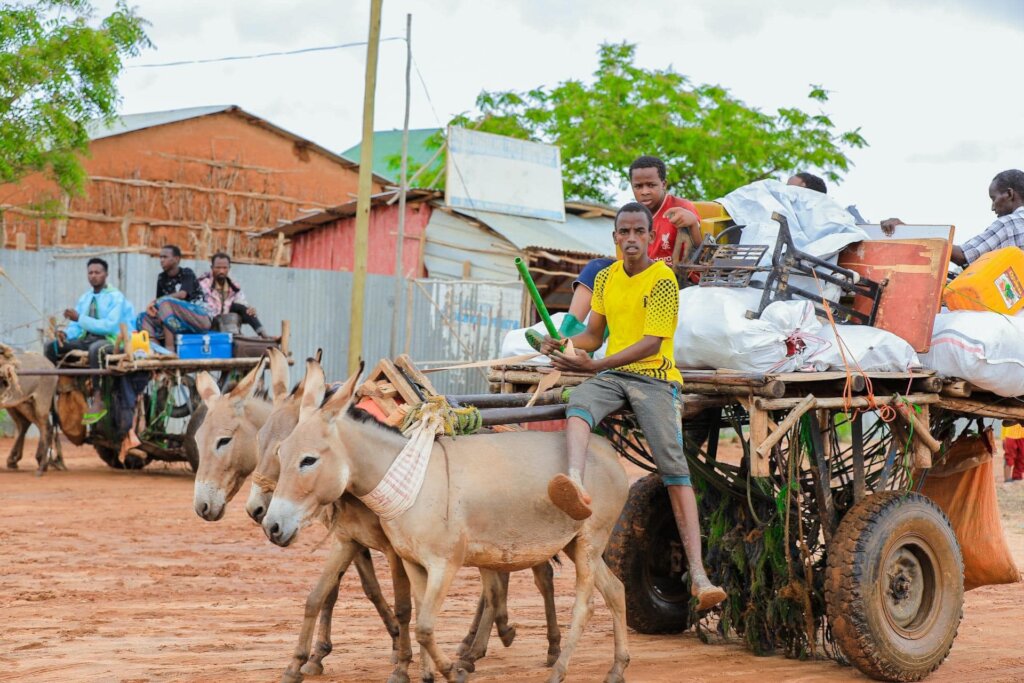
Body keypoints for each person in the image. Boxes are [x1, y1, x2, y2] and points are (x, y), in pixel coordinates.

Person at [538, 201, 727, 611]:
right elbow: (593, 334)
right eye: (623, 232)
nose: (631, 238)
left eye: (639, 231)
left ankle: (698, 574)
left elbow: (652, 344)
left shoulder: (662, 279)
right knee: (579, 402)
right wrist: (564, 344)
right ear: (615, 237)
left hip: (654, 377)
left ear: (651, 237)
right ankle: (575, 483)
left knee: (673, 467)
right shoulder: (606, 278)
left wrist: (595, 364)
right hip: (613, 375)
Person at [527, 155, 701, 350]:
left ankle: (581, 343)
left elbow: (702, 253)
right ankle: (565, 333)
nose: (644, 191)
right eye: (638, 186)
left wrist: (693, 224)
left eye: (651, 185)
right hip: (637, 271)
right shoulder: (633, 214)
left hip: (668, 275)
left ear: (664, 184)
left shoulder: (682, 208)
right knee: (597, 268)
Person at [44, 257, 135, 424]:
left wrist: (79, 317)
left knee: (96, 350)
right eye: (90, 273)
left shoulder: (116, 297)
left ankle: (98, 400)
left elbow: (109, 326)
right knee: (51, 346)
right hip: (87, 339)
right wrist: (65, 334)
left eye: (97, 272)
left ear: (106, 274)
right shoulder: (85, 297)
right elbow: (76, 327)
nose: (93, 276)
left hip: (111, 340)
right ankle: (51, 393)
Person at [882, 169, 1024, 267]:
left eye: (993, 198)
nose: (992, 207)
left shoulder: (1009, 223)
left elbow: (964, 255)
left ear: (1009, 194)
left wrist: (908, 232)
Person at [137, 245, 211, 353]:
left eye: (165, 257)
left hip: (199, 318)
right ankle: (158, 351)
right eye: (160, 257)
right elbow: (160, 303)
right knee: (142, 318)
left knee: (165, 303)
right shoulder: (161, 278)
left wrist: (157, 302)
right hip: (177, 322)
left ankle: (170, 350)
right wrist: (153, 308)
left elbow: (182, 294)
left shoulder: (187, 273)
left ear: (176, 259)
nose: (161, 260)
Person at [197, 252, 269, 337]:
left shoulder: (234, 287)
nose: (221, 271)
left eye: (224, 268)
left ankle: (264, 335)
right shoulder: (202, 285)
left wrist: (249, 310)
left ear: (229, 268)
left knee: (244, 309)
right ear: (212, 268)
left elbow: (242, 305)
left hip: (228, 324)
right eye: (218, 267)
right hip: (208, 324)